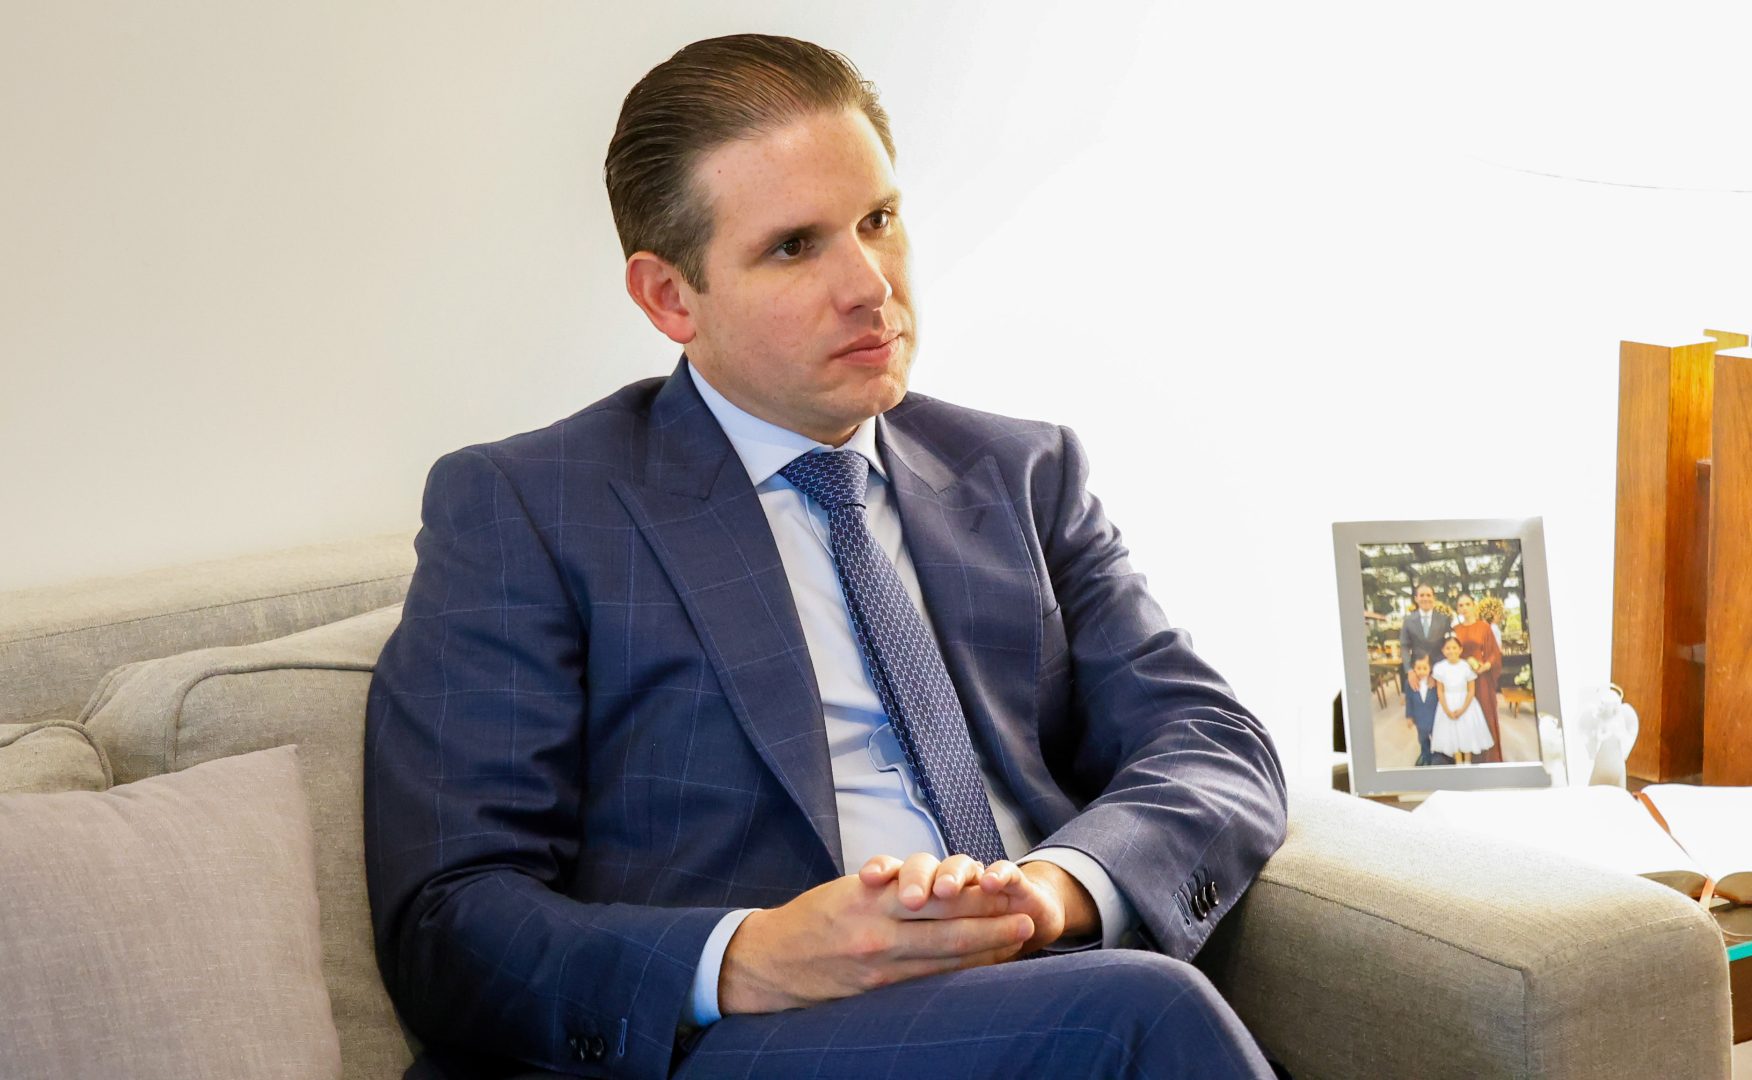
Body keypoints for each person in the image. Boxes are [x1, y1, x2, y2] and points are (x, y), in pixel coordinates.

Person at [364, 33, 1287, 1080]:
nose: (868, 285)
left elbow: (1213, 741)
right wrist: (749, 957)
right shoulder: (529, 508)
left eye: (878, 220)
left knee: (1122, 1009)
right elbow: (449, 917)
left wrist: (1057, 889)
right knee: (1140, 1014)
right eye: (795, 247)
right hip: (748, 1044)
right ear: (670, 298)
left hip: (1041, 992)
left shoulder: (1021, 471)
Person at [1451, 593, 1504, 763]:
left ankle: (1488, 757)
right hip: (1461, 680)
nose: (1464, 608)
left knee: (1484, 713)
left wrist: (1486, 666)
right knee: (1465, 716)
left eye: (1467, 604)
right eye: (1460, 605)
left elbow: (1494, 652)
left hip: (1481, 678)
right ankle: (1468, 758)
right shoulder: (1455, 630)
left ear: (1473, 606)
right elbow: (1450, 652)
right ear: (1457, 609)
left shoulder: (1484, 627)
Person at [1430, 634, 1493, 764]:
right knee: (1453, 732)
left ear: (1460, 649)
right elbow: (1440, 690)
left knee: (1466, 731)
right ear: (1443, 651)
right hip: (1447, 703)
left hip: (1466, 703)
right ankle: (1458, 762)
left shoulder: (1466, 666)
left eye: (1454, 648)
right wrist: (1446, 710)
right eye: (1448, 648)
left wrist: (1463, 709)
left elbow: (1471, 690)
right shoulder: (1440, 667)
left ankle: (1467, 762)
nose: (1451, 651)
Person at [1398, 584, 1450, 691]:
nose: (1425, 598)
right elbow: (1404, 646)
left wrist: (1436, 673)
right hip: (1417, 673)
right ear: (1416, 599)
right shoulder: (1408, 621)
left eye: (1428, 595)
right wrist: (1410, 671)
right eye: (1422, 595)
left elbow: (1448, 647)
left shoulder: (1444, 620)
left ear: (1434, 598)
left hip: (1439, 672)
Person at [1404, 652, 1445, 766]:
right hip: (1419, 717)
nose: (1421, 671)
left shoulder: (1435, 681)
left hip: (1434, 717)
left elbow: (1441, 697)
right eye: (1418, 668)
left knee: (1437, 737)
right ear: (1414, 668)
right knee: (1422, 739)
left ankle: (1438, 756)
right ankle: (1426, 756)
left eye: (1425, 668)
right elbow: (1408, 700)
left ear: (1430, 668)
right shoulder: (1409, 683)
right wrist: (1409, 717)